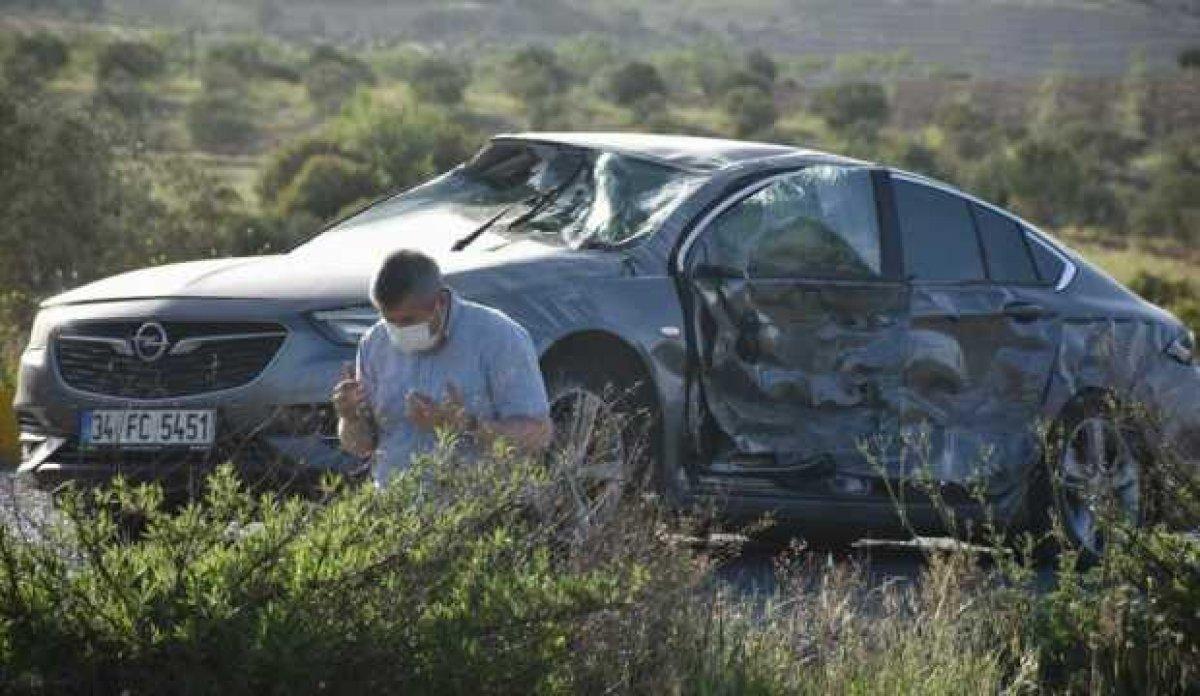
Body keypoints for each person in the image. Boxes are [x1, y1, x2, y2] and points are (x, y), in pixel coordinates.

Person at [332, 249, 553, 487]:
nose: (397, 330)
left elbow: (538, 435)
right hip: (397, 504)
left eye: (407, 321)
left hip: (476, 502)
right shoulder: (374, 344)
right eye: (389, 320)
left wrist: (464, 424)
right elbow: (362, 447)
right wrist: (349, 418)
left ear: (439, 302)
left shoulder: (498, 337)